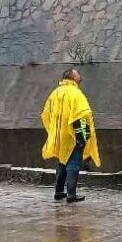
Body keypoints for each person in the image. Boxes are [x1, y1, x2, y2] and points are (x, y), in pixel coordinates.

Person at [41, 68, 100, 203]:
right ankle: (71, 195)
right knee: (73, 162)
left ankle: (59, 191)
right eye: (77, 73)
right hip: (73, 134)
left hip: (60, 135)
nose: (80, 75)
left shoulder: (55, 93)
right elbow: (80, 116)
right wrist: (81, 138)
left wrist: (54, 130)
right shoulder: (75, 93)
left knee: (62, 161)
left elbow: (45, 114)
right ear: (73, 77)